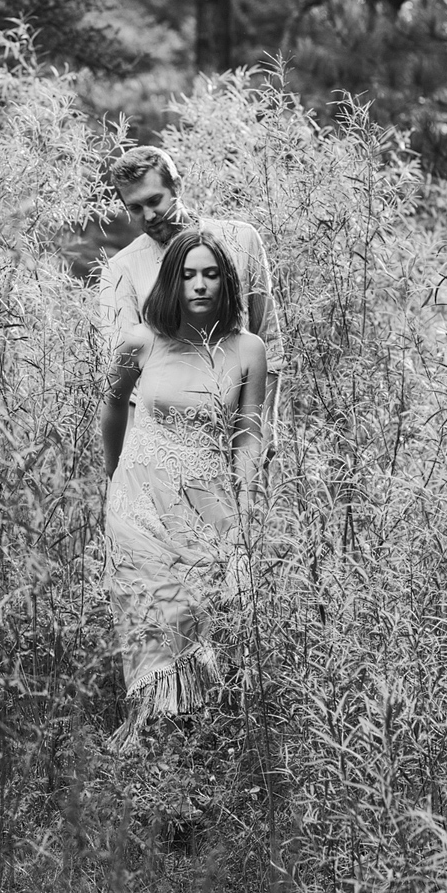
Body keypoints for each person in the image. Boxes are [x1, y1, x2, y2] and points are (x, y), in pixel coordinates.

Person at [99, 228, 268, 752]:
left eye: (211, 274)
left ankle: (196, 740)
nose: (200, 284)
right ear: (172, 279)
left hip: (207, 503)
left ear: (226, 281)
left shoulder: (247, 350)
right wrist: (113, 478)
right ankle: (150, 733)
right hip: (139, 501)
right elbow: (111, 406)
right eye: (188, 274)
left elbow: (249, 429)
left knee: (198, 613)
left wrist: (243, 496)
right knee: (154, 613)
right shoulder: (142, 341)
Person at [98, 145, 285, 438]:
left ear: (178, 187)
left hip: (241, 431)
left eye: (154, 200)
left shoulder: (241, 240)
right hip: (160, 443)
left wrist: (265, 432)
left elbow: (268, 341)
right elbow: (120, 375)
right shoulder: (120, 269)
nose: (148, 216)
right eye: (135, 208)